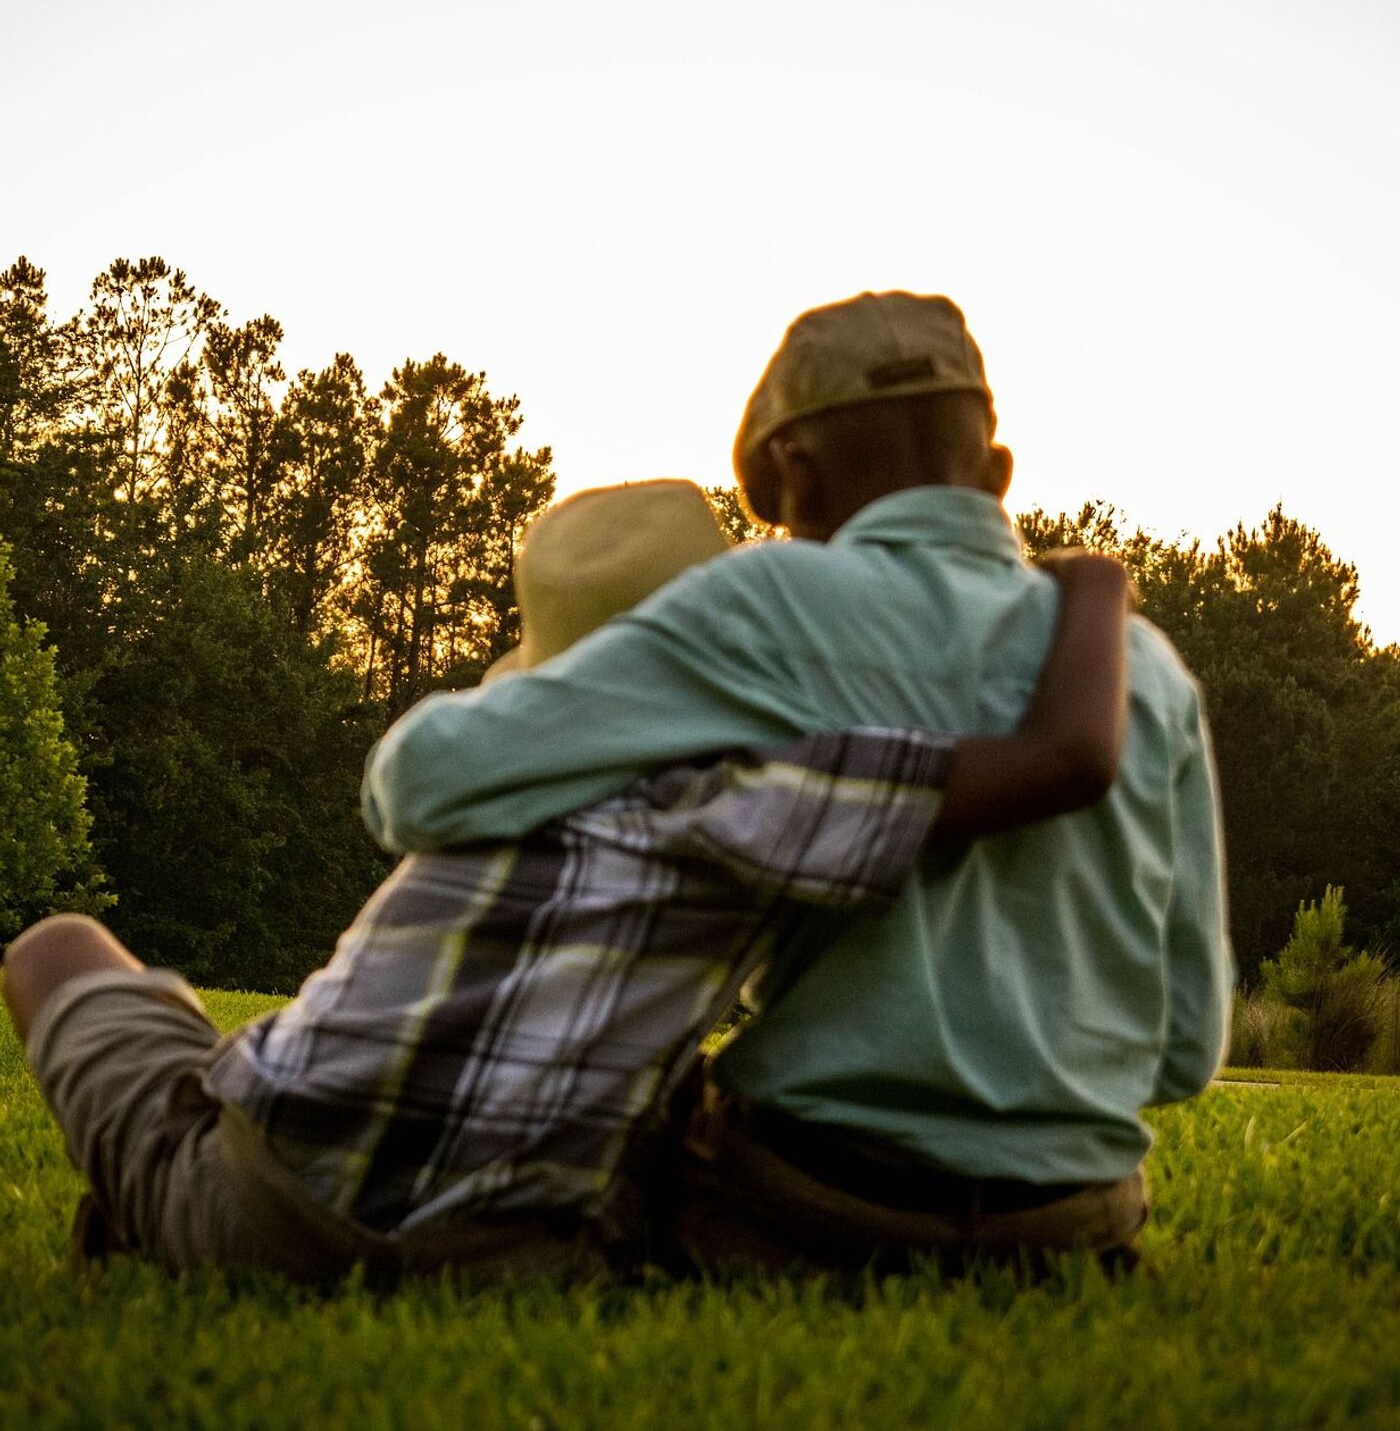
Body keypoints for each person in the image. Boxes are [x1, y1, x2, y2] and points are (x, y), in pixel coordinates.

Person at [2, 477, 1131, 1282]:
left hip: (257, 1197)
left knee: (54, 948)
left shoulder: (488, 779)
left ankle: (149, 1204)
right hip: (509, 1255)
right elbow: (1064, 758)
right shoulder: (759, 791)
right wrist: (1089, 585)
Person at [361, 294, 1234, 1273]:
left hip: (808, 1212)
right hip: (1074, 1228)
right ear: (994, 474)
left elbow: (417, 783)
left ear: (796, 475)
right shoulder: (1146, 671)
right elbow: (1182, 1047)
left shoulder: (766, 601)